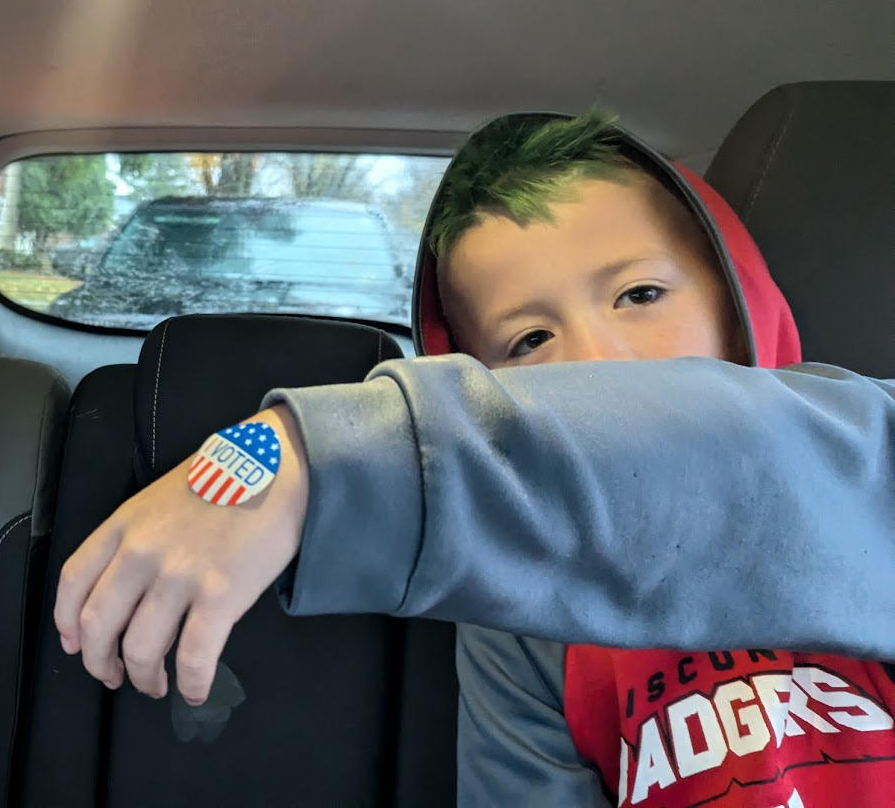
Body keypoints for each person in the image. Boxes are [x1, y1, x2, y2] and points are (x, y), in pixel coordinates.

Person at [54, 110, 895, 806]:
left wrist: (302, 456)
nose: (597, 366)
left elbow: (783, 460)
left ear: (738, 292)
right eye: (529, 340)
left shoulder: (866, 450)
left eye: (640, 294)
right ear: (485, 380)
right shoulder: (521, 614)